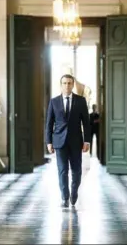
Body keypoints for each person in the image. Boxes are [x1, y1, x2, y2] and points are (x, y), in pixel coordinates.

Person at [45, 74, 91, 207]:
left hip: (76, 142)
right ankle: (65, 197)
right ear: (61, 85)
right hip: (59, 142)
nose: (67, 85)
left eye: (69, 83)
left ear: (73, 85)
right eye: (64, 83)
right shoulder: (54, 102)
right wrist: (49, 142)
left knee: (77, 171)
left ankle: (74, 192)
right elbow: (49, 123)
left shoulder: (81, 101)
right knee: (62, 170)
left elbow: (86, 123)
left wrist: (87, 141)